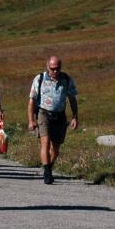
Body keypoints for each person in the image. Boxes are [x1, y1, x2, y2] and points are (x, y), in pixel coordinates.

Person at [28, 55, 79, 185]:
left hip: (60, 115)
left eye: (57, 69)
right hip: (43, 113)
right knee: (45, 143)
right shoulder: (39, 79)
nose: (55, 72)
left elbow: (72, 99)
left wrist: (75, 117)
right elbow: (31, 101)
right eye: (52, 69)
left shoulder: (66, 79)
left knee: (55, 148)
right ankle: (47, 173)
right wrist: (31, 120)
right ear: (47, 67)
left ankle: (48, 167)